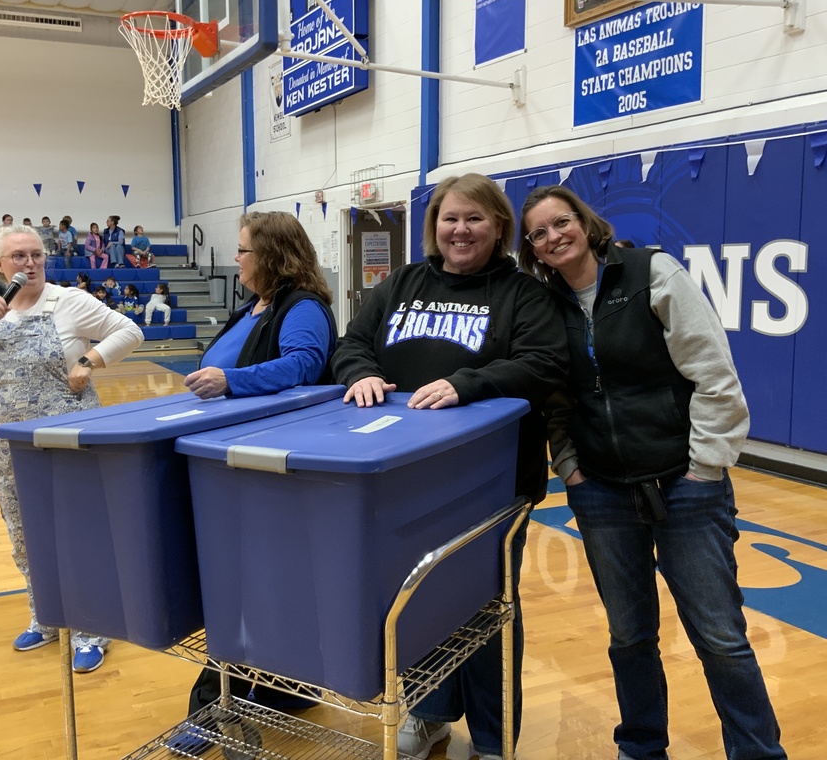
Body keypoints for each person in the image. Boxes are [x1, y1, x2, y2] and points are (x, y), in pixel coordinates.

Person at [518, 185, 787, 760]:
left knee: (720, 637)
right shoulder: (545, 305)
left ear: (586, 224)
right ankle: (641, 748)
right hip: (601, 495)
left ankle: (758, 753)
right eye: (538, 233)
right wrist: (569, 469)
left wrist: (705, 468)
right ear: (533, 251)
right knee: (629, 637)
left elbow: (714, 374)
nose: (552, 237)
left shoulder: (653, 273)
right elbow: (554, 400)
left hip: (685, 486)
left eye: (560, 222)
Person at [331, 173, 568, 760]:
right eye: (449, 219)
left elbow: (543, 365)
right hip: (410, 478)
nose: (459, 230)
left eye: (474, 219)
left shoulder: (523, 294)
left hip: (492, 483)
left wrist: (466, 384)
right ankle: (431, 711)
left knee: (489, 610)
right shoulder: (402, 284)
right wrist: (358, 372)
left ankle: (493, 740)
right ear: (433, 226)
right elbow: (351, 342)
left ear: (499, 227)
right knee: (417, 606)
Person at [172, 211, 337, 744]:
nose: (236, 259)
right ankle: (263, 694)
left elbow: (304, 367)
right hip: (230, 460)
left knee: (252, 587)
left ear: (271, 255)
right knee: (244, 586)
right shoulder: (255, 307)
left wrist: (230, 379)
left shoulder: (303, 307)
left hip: (266, 465)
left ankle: (223, 707)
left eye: (243, 250)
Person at [0, 225, 143, 673]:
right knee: (23, 534)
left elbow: (128, 330)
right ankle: (46, 615)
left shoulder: (67, 302)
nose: (30, 263)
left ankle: (92, 628)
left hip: (67, 440)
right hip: (8, 445)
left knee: (75, 532)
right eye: (19, 256)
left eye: (36, 254)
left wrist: (88, 361)